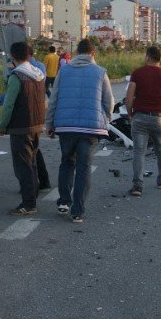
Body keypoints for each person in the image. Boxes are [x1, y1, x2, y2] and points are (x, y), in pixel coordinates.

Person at [44, 38, 114, 223]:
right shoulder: (100, 72)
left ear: (77, 52)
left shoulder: (64, 70)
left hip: (65, 128)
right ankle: (77, 211)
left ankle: (63, 202)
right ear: (93, 53)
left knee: (67, 162)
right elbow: (109, 102)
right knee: (84, 168)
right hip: (90, 129)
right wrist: (105, 119)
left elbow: (54, 99)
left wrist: (49, 124)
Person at [0, 41, 47, 215]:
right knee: (32, 162)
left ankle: (29, 203)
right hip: (37, 124)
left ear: (13, 56)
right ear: (29, 55)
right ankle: (32, 195)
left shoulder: (16, 76)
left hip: (21, 126)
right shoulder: (39, 74)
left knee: (23, 166)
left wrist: (2, 126)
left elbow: (8, 105)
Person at [125, 46, 161, 196]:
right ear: (159, 59)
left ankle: (137, 186)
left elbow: (129, 97)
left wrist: (130, 113)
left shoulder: (137, 73)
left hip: (140, 117)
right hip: (159, 118)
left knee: (139, 152)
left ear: (148, 57)